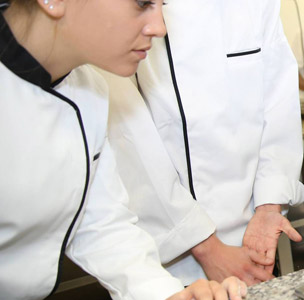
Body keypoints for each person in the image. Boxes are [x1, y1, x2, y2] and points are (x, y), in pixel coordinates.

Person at [0, 0, 246, 299]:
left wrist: (165, 294)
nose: (160, 27)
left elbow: (100, 222)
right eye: (142, 3)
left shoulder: (87, 89)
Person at [102, 0, 304, 286]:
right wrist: (207, 248)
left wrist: (269, 207)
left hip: (255, 234)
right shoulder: (139, 13)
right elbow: (132, 141)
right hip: (171, 245)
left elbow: (279, 101)